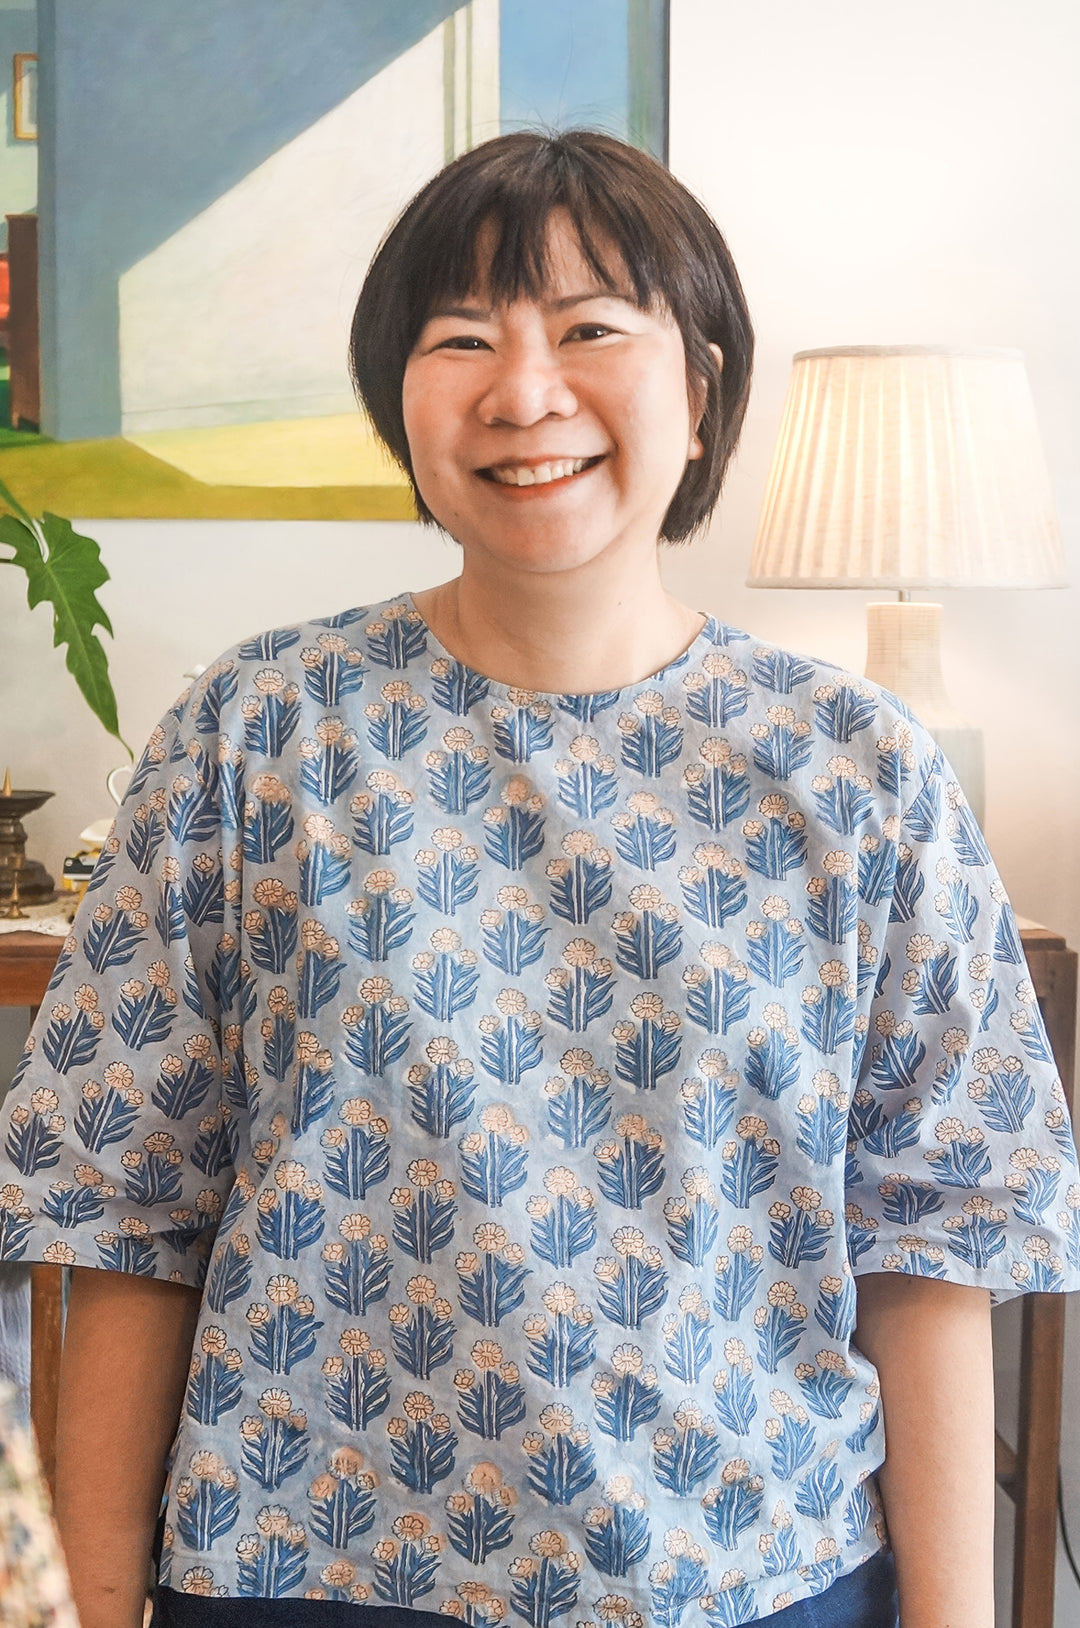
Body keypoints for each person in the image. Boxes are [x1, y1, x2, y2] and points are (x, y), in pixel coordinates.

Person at [0, 128, 1075, 1628]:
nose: (525, 394)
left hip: (750, 1575)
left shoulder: (858, 769)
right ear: (403, 405)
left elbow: (935, 1240)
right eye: (462, 341)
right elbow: (125, 1217)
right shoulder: (255, 737)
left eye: (588, 331)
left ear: (699, 392)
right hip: (298, 1574)